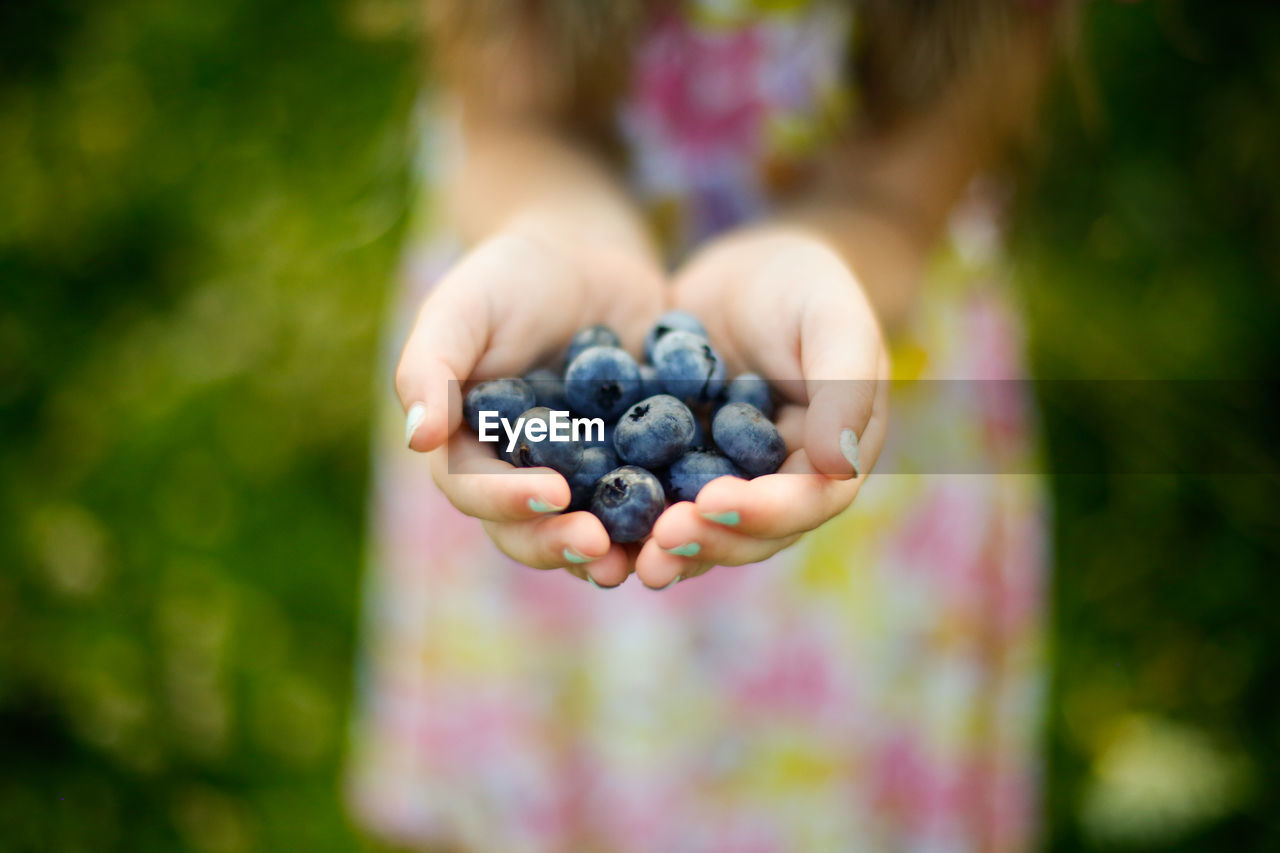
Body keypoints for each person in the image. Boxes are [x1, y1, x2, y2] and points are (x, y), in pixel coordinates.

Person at [348, 1, 1062, 850]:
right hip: (544, 302)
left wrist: (839, 261)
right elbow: (511, 124)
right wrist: (555, 236)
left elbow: (898, 196)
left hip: (845, 371)